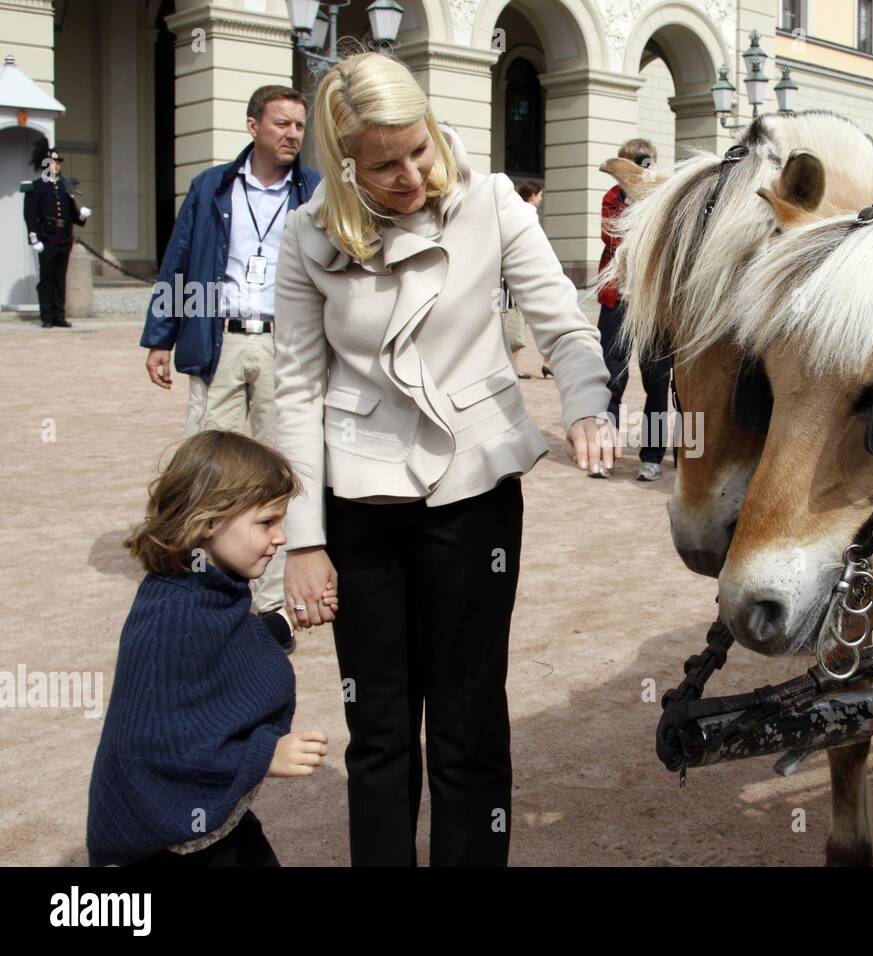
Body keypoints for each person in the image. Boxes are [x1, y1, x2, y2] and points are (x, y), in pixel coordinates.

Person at [274, 52, 617, 867]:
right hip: (358, 498)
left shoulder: (493, 201)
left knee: (468, 720)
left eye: (418, 150)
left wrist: (587, 407)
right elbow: (292, 391)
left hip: (473, 493)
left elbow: (563, 329)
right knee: (380, 729)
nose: (410, 176)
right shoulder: (307, 234)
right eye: (383, 163)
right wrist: (302, 538)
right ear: (344, 160)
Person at [86, 430, 336, 867]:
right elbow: (154, 741)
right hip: (164, 847)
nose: (280, 538)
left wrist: (281, 624)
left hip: (215, 829)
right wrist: (261, 755)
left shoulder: (207, 584)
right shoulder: (170, 616)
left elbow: (225, 647)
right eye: (266, 523)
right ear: (209, 521)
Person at [138, 85, 321, 633]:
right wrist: (159, 336)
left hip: (285, 344)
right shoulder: (212, 186)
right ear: (253, 127)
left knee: (278, 468)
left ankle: (266, 604)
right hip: (219, 337)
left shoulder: (313, 190)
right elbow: (177, 259)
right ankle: (200, 583)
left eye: (299, 126)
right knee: (206, 464)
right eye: (282, 124)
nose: (292, 134)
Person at [595, 139, 673, 481]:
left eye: (647, 163)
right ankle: (605, 451)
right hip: (618, 302)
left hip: (653, 308)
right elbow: (614, 239)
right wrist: (632, 196)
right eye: (634, 165)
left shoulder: (666, 197)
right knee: (610, 380)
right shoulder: (613, 200)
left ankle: (652, 456)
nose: (641, 170)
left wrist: (652, 193)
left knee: (657, 383)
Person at [23, 145, 90, 328]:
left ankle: (59, 315)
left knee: (60, 278)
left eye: (58, 162)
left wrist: (81, 215)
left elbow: (71, 215)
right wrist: (33, 238)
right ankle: (46, 316)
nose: (56, 165)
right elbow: (30, 215)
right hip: (46, 237)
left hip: (64, 237)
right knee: (47, 279)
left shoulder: (64, 186)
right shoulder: (36, 187)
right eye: (53, 162)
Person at [501, 180, 544, 378]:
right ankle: (514, 365)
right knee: (518, 321)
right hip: (521, 278)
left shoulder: (515, 211)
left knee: (516, 320)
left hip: (509, 279)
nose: (541, 199)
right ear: (532, 195)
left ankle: (521, 364)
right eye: (540, 195)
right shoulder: (529, 214)